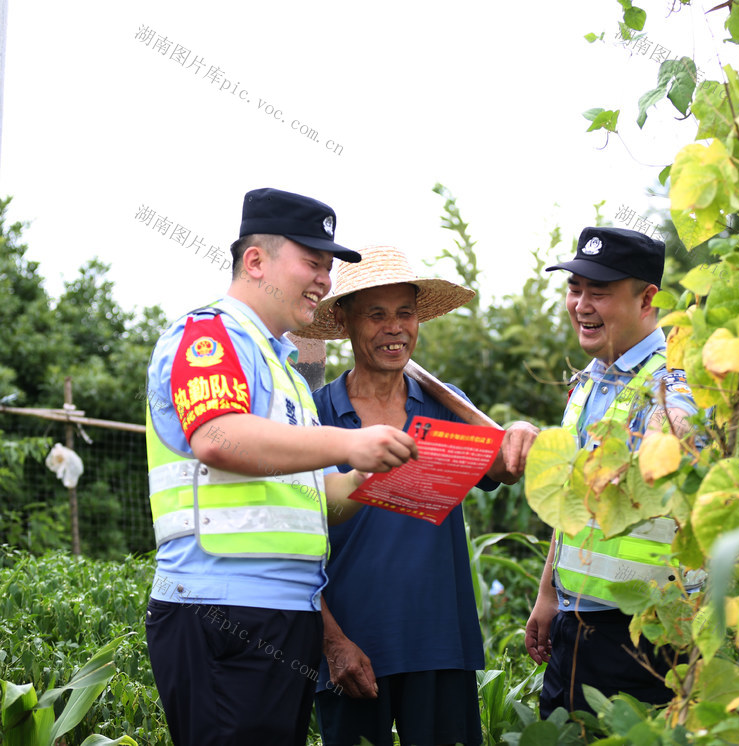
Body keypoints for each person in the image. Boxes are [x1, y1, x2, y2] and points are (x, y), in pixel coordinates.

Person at [144, 188, 419, 746]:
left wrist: (370, 474)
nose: (324, 280)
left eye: (327, 267)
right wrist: (351, 443)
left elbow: (320, 503)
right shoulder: (210, 334)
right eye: (312, 262)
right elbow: (217, 437)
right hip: (221, 610)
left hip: (285, 614)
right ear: (255, 261)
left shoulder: (287, 372)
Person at [295, 245, 538, 746]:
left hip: (439, 644)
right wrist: (331, 642)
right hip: (353, 651)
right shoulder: (314, 417)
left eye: (405, 314)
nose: (395, 328)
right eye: (376, 315)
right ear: (343, 320)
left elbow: (506, 466)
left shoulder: (446, 406)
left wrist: (518, 430)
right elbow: (291, 543)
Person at [524, 226, 700, 717]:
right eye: (574, 288)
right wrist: (548, 594)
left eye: (598, 292)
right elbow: (571, 503)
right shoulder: (589, 382)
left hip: (645, 634)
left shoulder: (675, 375)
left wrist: (668, 429)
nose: (581, 305)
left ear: (647, 299)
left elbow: (679, 424)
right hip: (573, 622)